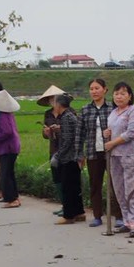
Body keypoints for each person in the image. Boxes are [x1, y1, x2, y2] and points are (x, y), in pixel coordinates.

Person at [75, 78, 123, 228]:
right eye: (91, 89)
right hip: (92, 152)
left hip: (111, 152)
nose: (94, 91)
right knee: (95, 184)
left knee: (115, 184)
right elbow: (79, 134)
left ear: (105, 90)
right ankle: (97, 216)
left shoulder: (113, 109)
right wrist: (79, 154)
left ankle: (118, 216)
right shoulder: (85, 110)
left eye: (97, 88)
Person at [104, 81, 134, 237]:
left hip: (131, 155)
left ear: (129, 96)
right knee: (119, 189)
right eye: (116, 93)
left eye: (122, 93)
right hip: (115, 155)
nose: (119, 97)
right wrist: (107, 134)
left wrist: (112, 142)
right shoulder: (113, 113)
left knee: (132, 189)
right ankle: (127, 221)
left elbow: (131, 133)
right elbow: (111, 131)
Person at [52, 93, 85, 224]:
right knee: (75, 187)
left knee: (67, 187)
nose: (53, 106)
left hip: (68, 158)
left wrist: (58, 155)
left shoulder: (66, 118)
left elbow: (67, 140)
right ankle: (79, 212)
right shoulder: (71, 116)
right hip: (74, 156)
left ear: (59, 105)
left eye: (54, 103)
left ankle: (68, 215)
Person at [37, 83, 70, 216]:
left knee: (67, 179)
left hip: (67, 151)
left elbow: (73, 131)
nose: (53, 102)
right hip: (54, 149)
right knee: (57, 179)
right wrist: (47, 132)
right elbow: (45, 135)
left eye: (55, 99)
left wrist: (60, 129)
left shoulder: (69, 113)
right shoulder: (48, 114)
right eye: (51, 99)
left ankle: (69, 207)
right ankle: (63, 204)